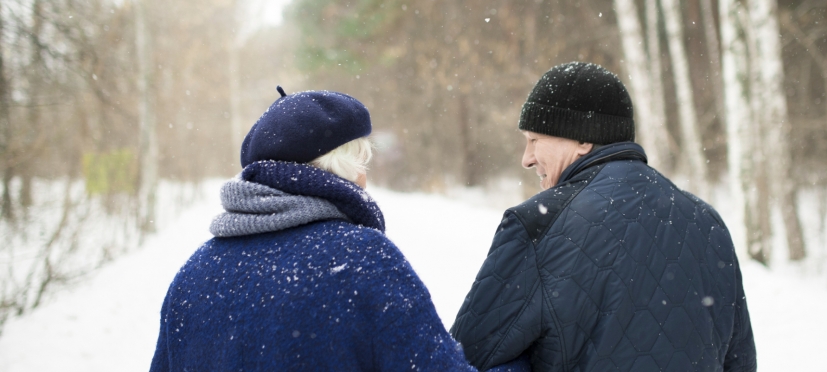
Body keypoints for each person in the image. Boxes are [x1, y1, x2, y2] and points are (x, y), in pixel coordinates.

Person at [150, 87, 529, 371]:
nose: (365, 179)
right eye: (361, 162)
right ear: (341, 168)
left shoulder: (194, 274)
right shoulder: (362, 259)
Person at [450, 62, 756, 371]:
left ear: (583, 139)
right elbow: (739, 362)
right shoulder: (706, 222)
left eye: (534, 140)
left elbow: (464, 360)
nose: (527, 159)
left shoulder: (538, 225)